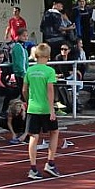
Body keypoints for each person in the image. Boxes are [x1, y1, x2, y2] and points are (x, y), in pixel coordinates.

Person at [22, 42, 62, 180]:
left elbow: (24, 89)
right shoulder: (50, 71)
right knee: (54, 132)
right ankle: (50, 162)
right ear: (48, 56)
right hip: (45, 107)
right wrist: (52, 109)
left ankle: (33, 167)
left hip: (33, 108)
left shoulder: (29, 70)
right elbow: (50, 90)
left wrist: (28, 101)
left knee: (34, 136)